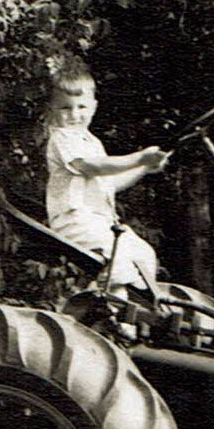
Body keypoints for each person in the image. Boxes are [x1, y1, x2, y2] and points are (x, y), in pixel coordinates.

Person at [44, 58, 170, 295]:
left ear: (94, 107)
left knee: (145, 256)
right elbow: (93, 167)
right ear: (52, 109)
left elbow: (109, 183)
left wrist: (144, 168)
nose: (74, 115)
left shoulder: (92, 142)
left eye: (81, 107)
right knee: (120, 261)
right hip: (76, 221)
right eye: (65, 108)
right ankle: (99, 302)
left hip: (102, 223)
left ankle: (123, 306)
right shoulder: (62, 138)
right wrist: (139, 158)